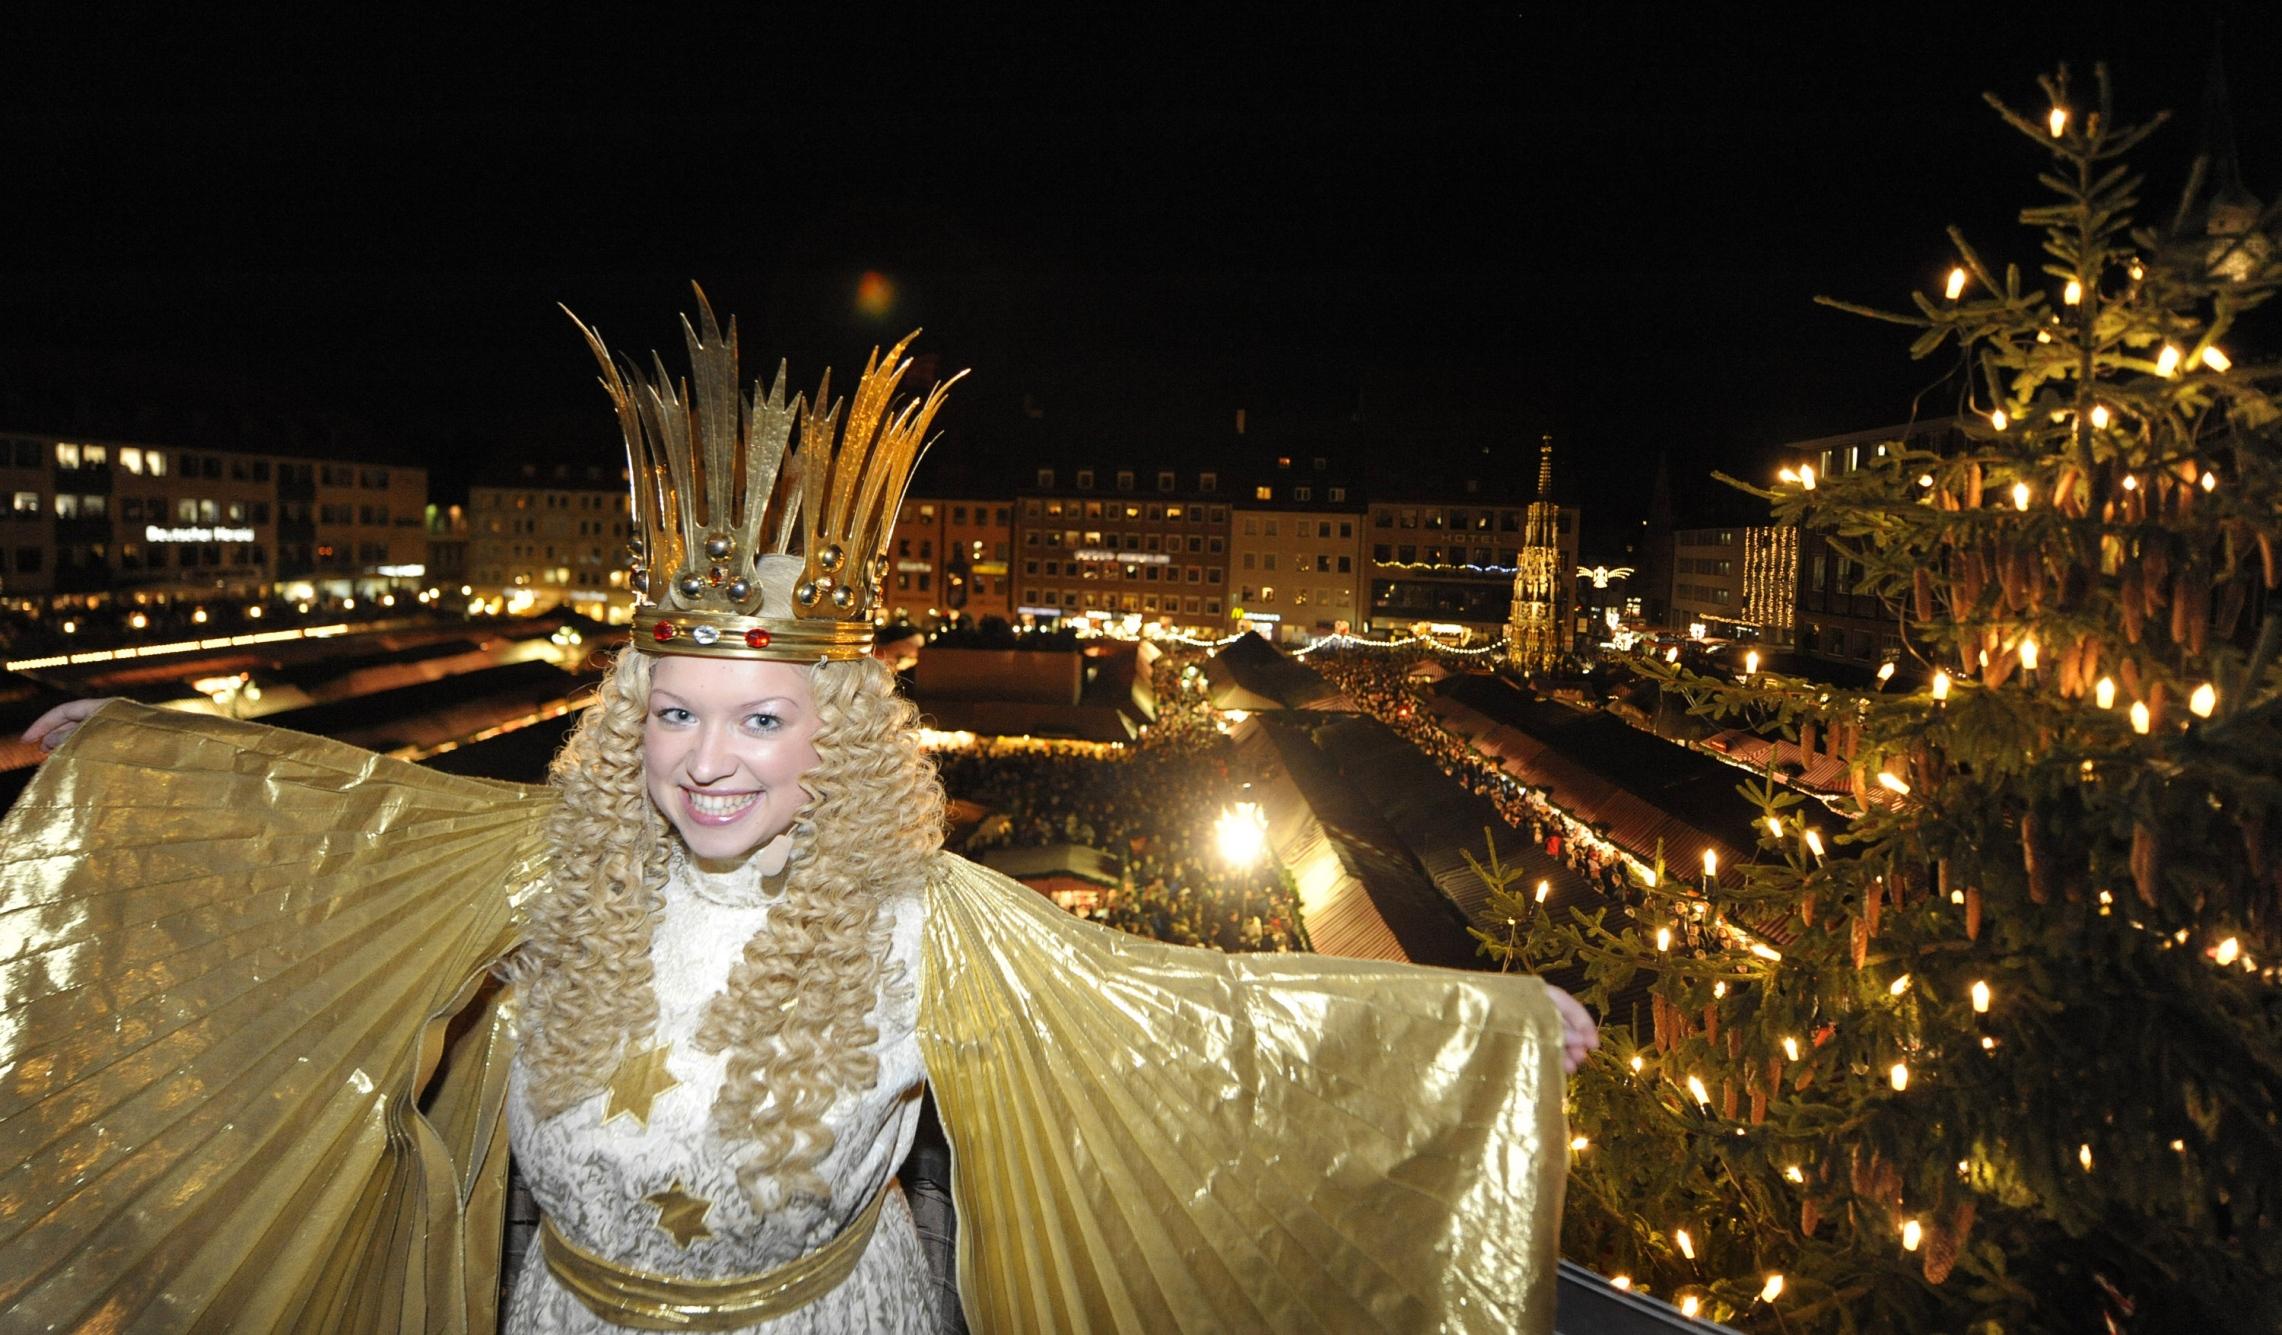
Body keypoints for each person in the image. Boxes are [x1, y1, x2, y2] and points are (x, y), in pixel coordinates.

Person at [8, 295, 1595, 1333]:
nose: (709, 760)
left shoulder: (927, 920)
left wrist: (1483, 1029)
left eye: (761, 718)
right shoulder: (536, 865)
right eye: (674, 714)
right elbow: (324, 837)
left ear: (833, 739)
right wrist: (125, 761)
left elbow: (1198, 1030)